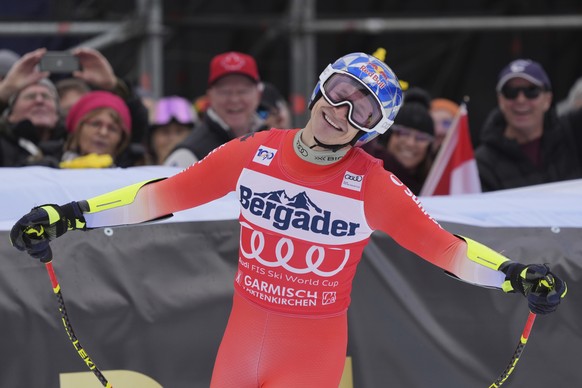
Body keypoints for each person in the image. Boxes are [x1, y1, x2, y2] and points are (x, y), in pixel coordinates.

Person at [10, 52, 566, 387]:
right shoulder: (256, 152)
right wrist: (70, 215)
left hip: (311, 352)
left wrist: (515, 274)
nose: (341, 112)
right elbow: (164, 196)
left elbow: (446, 250)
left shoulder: (373, 184)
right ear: (321, 87)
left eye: (362, 111)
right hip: (242, 340)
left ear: (371, 129)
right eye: (340, 93)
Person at [475, 59, 582, 191]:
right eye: (511, 92)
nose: (521, 99)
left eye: (531, 91)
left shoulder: (571, 133)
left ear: (547, 100)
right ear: (500, 100)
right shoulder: (482, 163)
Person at [164, 51, 265, 168]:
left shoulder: (272, 141)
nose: (234, 99)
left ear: (258, 94)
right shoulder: (188, 155)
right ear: (210, 96)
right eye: (225, 91)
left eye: (243, 91)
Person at [367, 87, 435, 195]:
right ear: (388, 136)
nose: (410, 143)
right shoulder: (366, 169)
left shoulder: (434, 187)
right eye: (403, 133)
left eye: (421, 138)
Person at [59, 90, 132, 169]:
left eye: (113, 129)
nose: (103, 133)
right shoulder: (50, 167)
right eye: (96, 124)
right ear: (78, 129)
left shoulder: (131, 177)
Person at [144, 96, 197, 166]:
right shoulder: (138, 172)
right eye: (165, 132)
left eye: (179, 131)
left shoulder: (204, 172)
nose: (173, 139)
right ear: (151, 138)